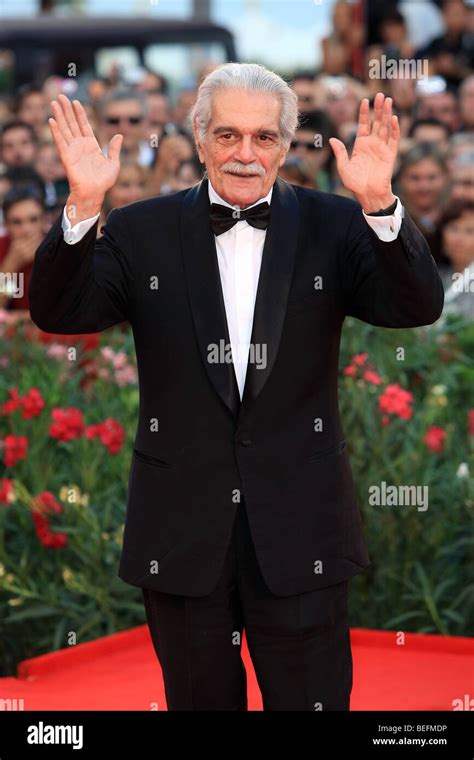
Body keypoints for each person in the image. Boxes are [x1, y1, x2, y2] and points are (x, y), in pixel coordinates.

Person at [29, 63, 444, 712]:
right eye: (227, 136)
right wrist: (82, 206)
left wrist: (381, 207)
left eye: (264, 137)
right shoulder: (142, 231)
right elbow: (58, 312)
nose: (246, 155)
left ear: (285, 143)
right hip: (183, 530)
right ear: (198, 138)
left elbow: (416, 305)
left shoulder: (336, 225)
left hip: (303, 526)